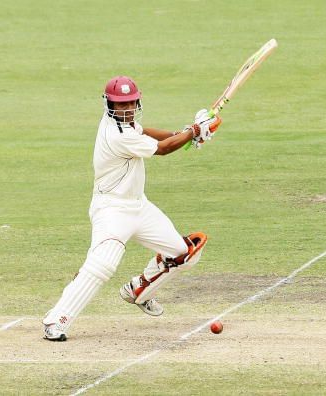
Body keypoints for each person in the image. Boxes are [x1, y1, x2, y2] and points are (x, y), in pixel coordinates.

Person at [43, 76, 221, 341]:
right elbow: (161, 149)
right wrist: (193, 132)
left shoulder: (127, 125)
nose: (126, 109)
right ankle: (56, 321)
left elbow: (146, 133)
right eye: (120, 104)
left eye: (129, 103)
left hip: (139, 207)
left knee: (183, 253)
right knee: (102, 265)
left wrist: (184, 133)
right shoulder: (116, 134)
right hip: (111, 210)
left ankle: (139, 290)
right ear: (109, 104)